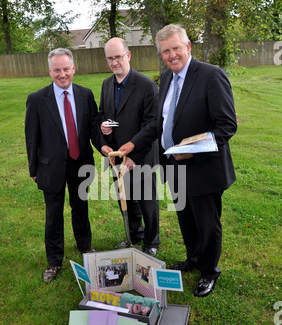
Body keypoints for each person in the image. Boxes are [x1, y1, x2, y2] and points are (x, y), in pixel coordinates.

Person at [120, 25, 237, 297]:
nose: (171, 55)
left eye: (175, 48)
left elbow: (226, 125)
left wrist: (193, 151)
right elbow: (159, 124)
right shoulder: (167, 78)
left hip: (204, 167)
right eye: (165, 51)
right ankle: (194, 259)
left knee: (207, 223)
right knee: (186, 218)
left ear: (188, 47)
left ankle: (209, 271)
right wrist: (135, 143)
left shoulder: (211, 75)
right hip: (174, 167)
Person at [25, 48, 105, 282]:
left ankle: (84, 246)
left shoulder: (85, 94)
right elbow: (32, 137)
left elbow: (92, 128)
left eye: (66, 69)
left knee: (81, 207)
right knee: (54, 214)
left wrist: (104, 141)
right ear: (50, 71)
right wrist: (33, 169)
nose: (62, 74)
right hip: (50, 167)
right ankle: (54, 260)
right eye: (57, 69)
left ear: (74, 68)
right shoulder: (38, 99)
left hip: (80, 162)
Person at [99, 37, 160, 256]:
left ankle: (151, 242)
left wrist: (134, 157)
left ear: (129, 55)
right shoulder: (107, 84)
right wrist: (103, 125)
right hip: (117, 157)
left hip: (142, 156)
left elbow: (153, 124)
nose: (114, 62)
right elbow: (103, 115)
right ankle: (134, 235)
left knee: (147, 201)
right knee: (126, 198)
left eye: (118, 57)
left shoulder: (146, 85)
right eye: (110, 58)